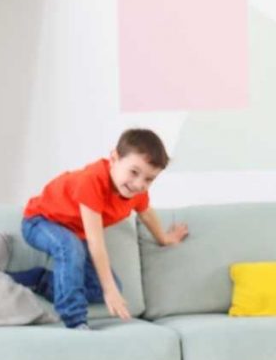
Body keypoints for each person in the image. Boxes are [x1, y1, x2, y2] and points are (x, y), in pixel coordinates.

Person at [11, 129, 188, 329]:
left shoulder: (136, 192)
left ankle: (40, 280)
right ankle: (75, 319)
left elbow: (146, 213)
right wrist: (109, 289)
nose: (139, 184)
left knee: (103, 288)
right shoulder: (92, 180)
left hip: (75, 234)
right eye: (134, 172)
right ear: (114, 158)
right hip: (40, 222)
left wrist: (163, 238)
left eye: (149, 179)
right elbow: (95, 241)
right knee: (72, 249)